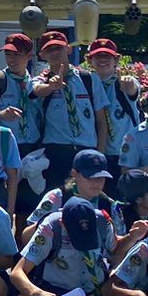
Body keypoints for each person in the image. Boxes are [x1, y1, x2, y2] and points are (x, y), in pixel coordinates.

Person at [30, 32, 109, 207]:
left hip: (86, 152)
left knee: (89, 203)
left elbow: (101, 122)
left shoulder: (89, 79)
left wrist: (100, 154)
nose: (55, 53)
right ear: (42, 55)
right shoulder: (41, 79)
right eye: (49, 50)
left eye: (58, 48)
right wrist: (51, 86)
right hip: (57, 153)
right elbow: (36, 90)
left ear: (68, 49)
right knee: (55, 203)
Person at [0, 33, 42, 220]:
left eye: (17, 54)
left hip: (31, 150)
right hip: (4, 149)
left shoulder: (37, 84)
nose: (11, 59)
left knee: (31, 206)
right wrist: (0, 115)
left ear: (29, 56)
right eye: (8, 54)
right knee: (3, 206)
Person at [85, 38, 138, 189]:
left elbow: (133, 91)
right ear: (90, 60)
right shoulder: (87, 85)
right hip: (96, 151)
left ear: (116, 60)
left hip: (123, 155)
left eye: (107, 57)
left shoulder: (123, 82)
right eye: (98, 57)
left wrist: (130, 87)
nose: (103, 60)